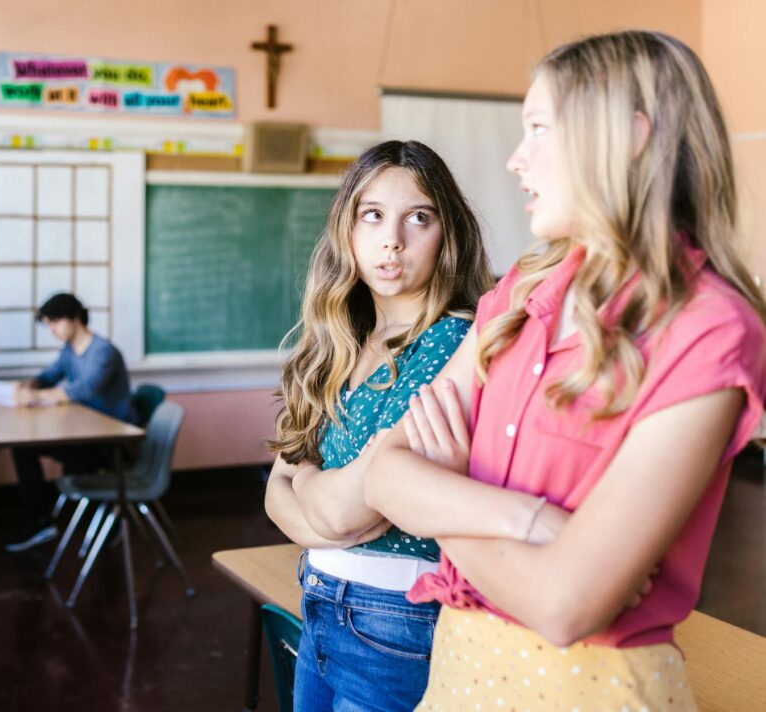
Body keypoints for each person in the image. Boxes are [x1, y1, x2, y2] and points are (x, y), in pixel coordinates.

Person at [361, 30, 766, 709]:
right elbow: (383, 472)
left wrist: (446, 497)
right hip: (456, 675)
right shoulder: (522, 291)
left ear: (630, 137)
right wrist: (531, 521)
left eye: (538, 129)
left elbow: (564, 604)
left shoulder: (710, 330)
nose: (517, 160)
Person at [264, 140, 499, 710]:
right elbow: (275, 491)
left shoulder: (452, 341)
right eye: (373, 216)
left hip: (396, 621)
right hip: (318, 598)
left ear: (448, 236)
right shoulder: (339, 343)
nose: (392, 240)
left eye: (418, 218)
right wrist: (329, 517)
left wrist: (315, 492)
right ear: (348, 229)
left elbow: (344, 506)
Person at [6, 292, 134, 553]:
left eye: (55, 322)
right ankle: (39, 521)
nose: (51, 329)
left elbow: (83, 390)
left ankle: (95, 521)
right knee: (23, 447)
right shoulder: (69, 351)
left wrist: (37, 396)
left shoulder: (104, 352)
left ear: (75, 318)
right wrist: (28, 385)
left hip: (110, 440)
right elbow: (49, 376)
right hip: (85, 433)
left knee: (63, 456)